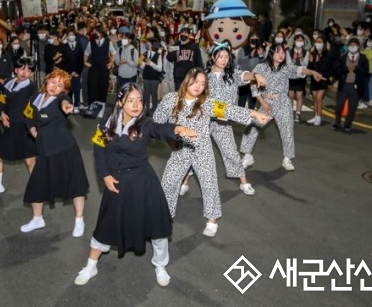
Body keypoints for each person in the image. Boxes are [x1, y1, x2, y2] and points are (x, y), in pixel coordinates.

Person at [74, 82, 198, 287]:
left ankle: (160, 265)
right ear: (120, 101)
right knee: (107, 224)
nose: (136, 105)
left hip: (143, 182)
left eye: (139, 100)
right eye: (130, 100)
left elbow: (160, 129)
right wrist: (104, 175)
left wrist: (177, 129)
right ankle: (91, 265)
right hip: (117, 182)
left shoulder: (145, 124)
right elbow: (99, 150)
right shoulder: (107, 122)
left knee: (157, 227)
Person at [154, 67, 270, 237]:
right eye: (195, 81)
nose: (199, 86)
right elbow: (157, 123)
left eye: (202, 83)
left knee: (209, 184)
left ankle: (212, 220)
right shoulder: (170, 99)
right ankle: (165, 216)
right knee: (169, 183)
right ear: (187, 80)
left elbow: (230, 110)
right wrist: (169, 139)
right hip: (181, 150)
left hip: (203, 151)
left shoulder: (206, 103)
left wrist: (254, 114)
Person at [20, 68, 89, 237]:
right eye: (53, 82)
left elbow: (64, 102)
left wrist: (67, 106)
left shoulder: (61, 99)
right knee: (37, 184)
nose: (54, 87)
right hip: (44, 150)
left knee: (75, 184)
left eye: (60, 85)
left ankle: (79, 219)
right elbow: (28, 115)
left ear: (63, 90)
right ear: (47, 80)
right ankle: (37, 219)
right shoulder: (36, 97)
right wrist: (32, 129)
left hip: (65, 149)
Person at [240, 44, 325, 170]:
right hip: (266, 102)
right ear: (271, 53)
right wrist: (263, 102)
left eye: (283, 53)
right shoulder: (261, 67)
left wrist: (312, 72)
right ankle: (247, 156)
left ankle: (287, 159)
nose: (281, 55)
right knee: (253, 127)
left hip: (283, 103)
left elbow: (300, 70)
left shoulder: (286, 68)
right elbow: (253, 85)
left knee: (287, 130)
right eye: (278, 52)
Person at [205, 41, 267, 195]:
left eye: (227, 56)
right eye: (220, 57)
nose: (224, 60)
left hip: (222, 122)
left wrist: (256, 75)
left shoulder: (233, 74)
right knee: (193, 151)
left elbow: (245, 75)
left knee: (231, 152)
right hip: (204, 120)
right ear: (213, 57)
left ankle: (243, 182)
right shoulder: (204, 76)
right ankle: (184, 182)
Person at [0, 58, 37, 196]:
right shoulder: (8, 83)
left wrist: (31, 124)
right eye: (22, 69)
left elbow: (34, 108)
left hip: (24, 128)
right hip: (9, 127)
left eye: (28, 70)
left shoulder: (32, 87)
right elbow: (1, 100)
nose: (25, 73)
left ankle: (37, 187)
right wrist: (2, 113)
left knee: (30, 161)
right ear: (15, 70)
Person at [331, 38, 369, 132]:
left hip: (355, 86)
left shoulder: (363, 58)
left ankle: (347, 125)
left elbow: (365, 71)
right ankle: (337, 122)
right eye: (351, 45)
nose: (353, 47)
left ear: (358, 46)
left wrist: (356, 69)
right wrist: (345, 69)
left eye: (355, 45)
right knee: (339, 105)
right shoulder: (343, 57)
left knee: (352, 107)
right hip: (344, 85)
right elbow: (336, 70)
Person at [84, 26, 115, 104]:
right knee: (92, 85)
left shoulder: (108, 42)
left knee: (103, 85)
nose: (94, 34)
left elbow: (113, 53)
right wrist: (85, 61)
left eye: (96, 32)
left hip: (104, 67)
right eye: (93, 32)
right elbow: (86, 53)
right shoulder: (91, 42)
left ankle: (102, 103)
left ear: (101, 34)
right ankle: (93, 103)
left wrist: (111, 63)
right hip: (94, 67)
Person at [306, 35, 333, 126]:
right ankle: (316, 116)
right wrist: (311, 60)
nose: (318, 44)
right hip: (314, 79)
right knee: (314, 99)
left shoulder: (327, 54)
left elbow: (327, 67)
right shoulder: (313, 54)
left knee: (319, 98)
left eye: (320, 42)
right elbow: (309, 68)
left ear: (324, 43)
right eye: (316, 42)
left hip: (323, 79)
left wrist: (319, 61)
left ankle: (319, 117)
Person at [287, 33, 310, 123]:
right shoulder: (289, 51)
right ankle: (290, 113)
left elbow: (306, 64)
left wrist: (300, 59)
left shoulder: (306, 52)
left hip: (301, 76)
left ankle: (298, 113)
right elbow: (288, 64)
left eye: (301, 40)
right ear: (294, 41)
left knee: (299, 95)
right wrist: (293, 59)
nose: (299, 42)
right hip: (291, 76)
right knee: (291, 95)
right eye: (298, 40)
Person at [140, 39, 164, 115]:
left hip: (154, 78)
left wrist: (151, 64)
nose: (147, 44)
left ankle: (154, 109)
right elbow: (141, 66)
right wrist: (143, 63)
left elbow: (160, 68)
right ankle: (146, 109)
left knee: (154, 94)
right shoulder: (145, 53)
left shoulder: (158, 55)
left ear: (153, 45)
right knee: (146, 94)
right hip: (146, 76)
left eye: (149, 43)